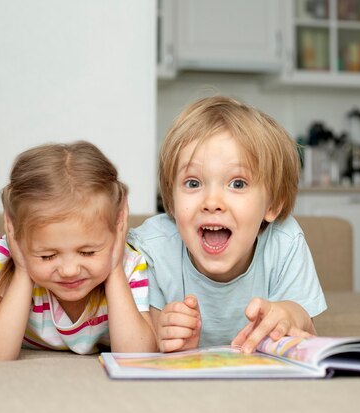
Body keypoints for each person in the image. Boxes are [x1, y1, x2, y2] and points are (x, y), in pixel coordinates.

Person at [127, 96, 327, 354]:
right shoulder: (153, 248)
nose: (212, 202)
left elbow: (307, 333)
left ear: (273, 204)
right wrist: (169, 339)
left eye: (238, 183)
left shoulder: (284, 241)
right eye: (193, 183)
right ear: (172, 201)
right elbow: (145, 345)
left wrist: (289, 314)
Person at [0, 141, 156, 360]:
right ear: (16, 237)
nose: (69, 270)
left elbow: (137, 355)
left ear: (118, 227)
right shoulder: (7, 256)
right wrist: (22, 270)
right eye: (47, 256)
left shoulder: (127, 263)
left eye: (87, 252)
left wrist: (114, 269)